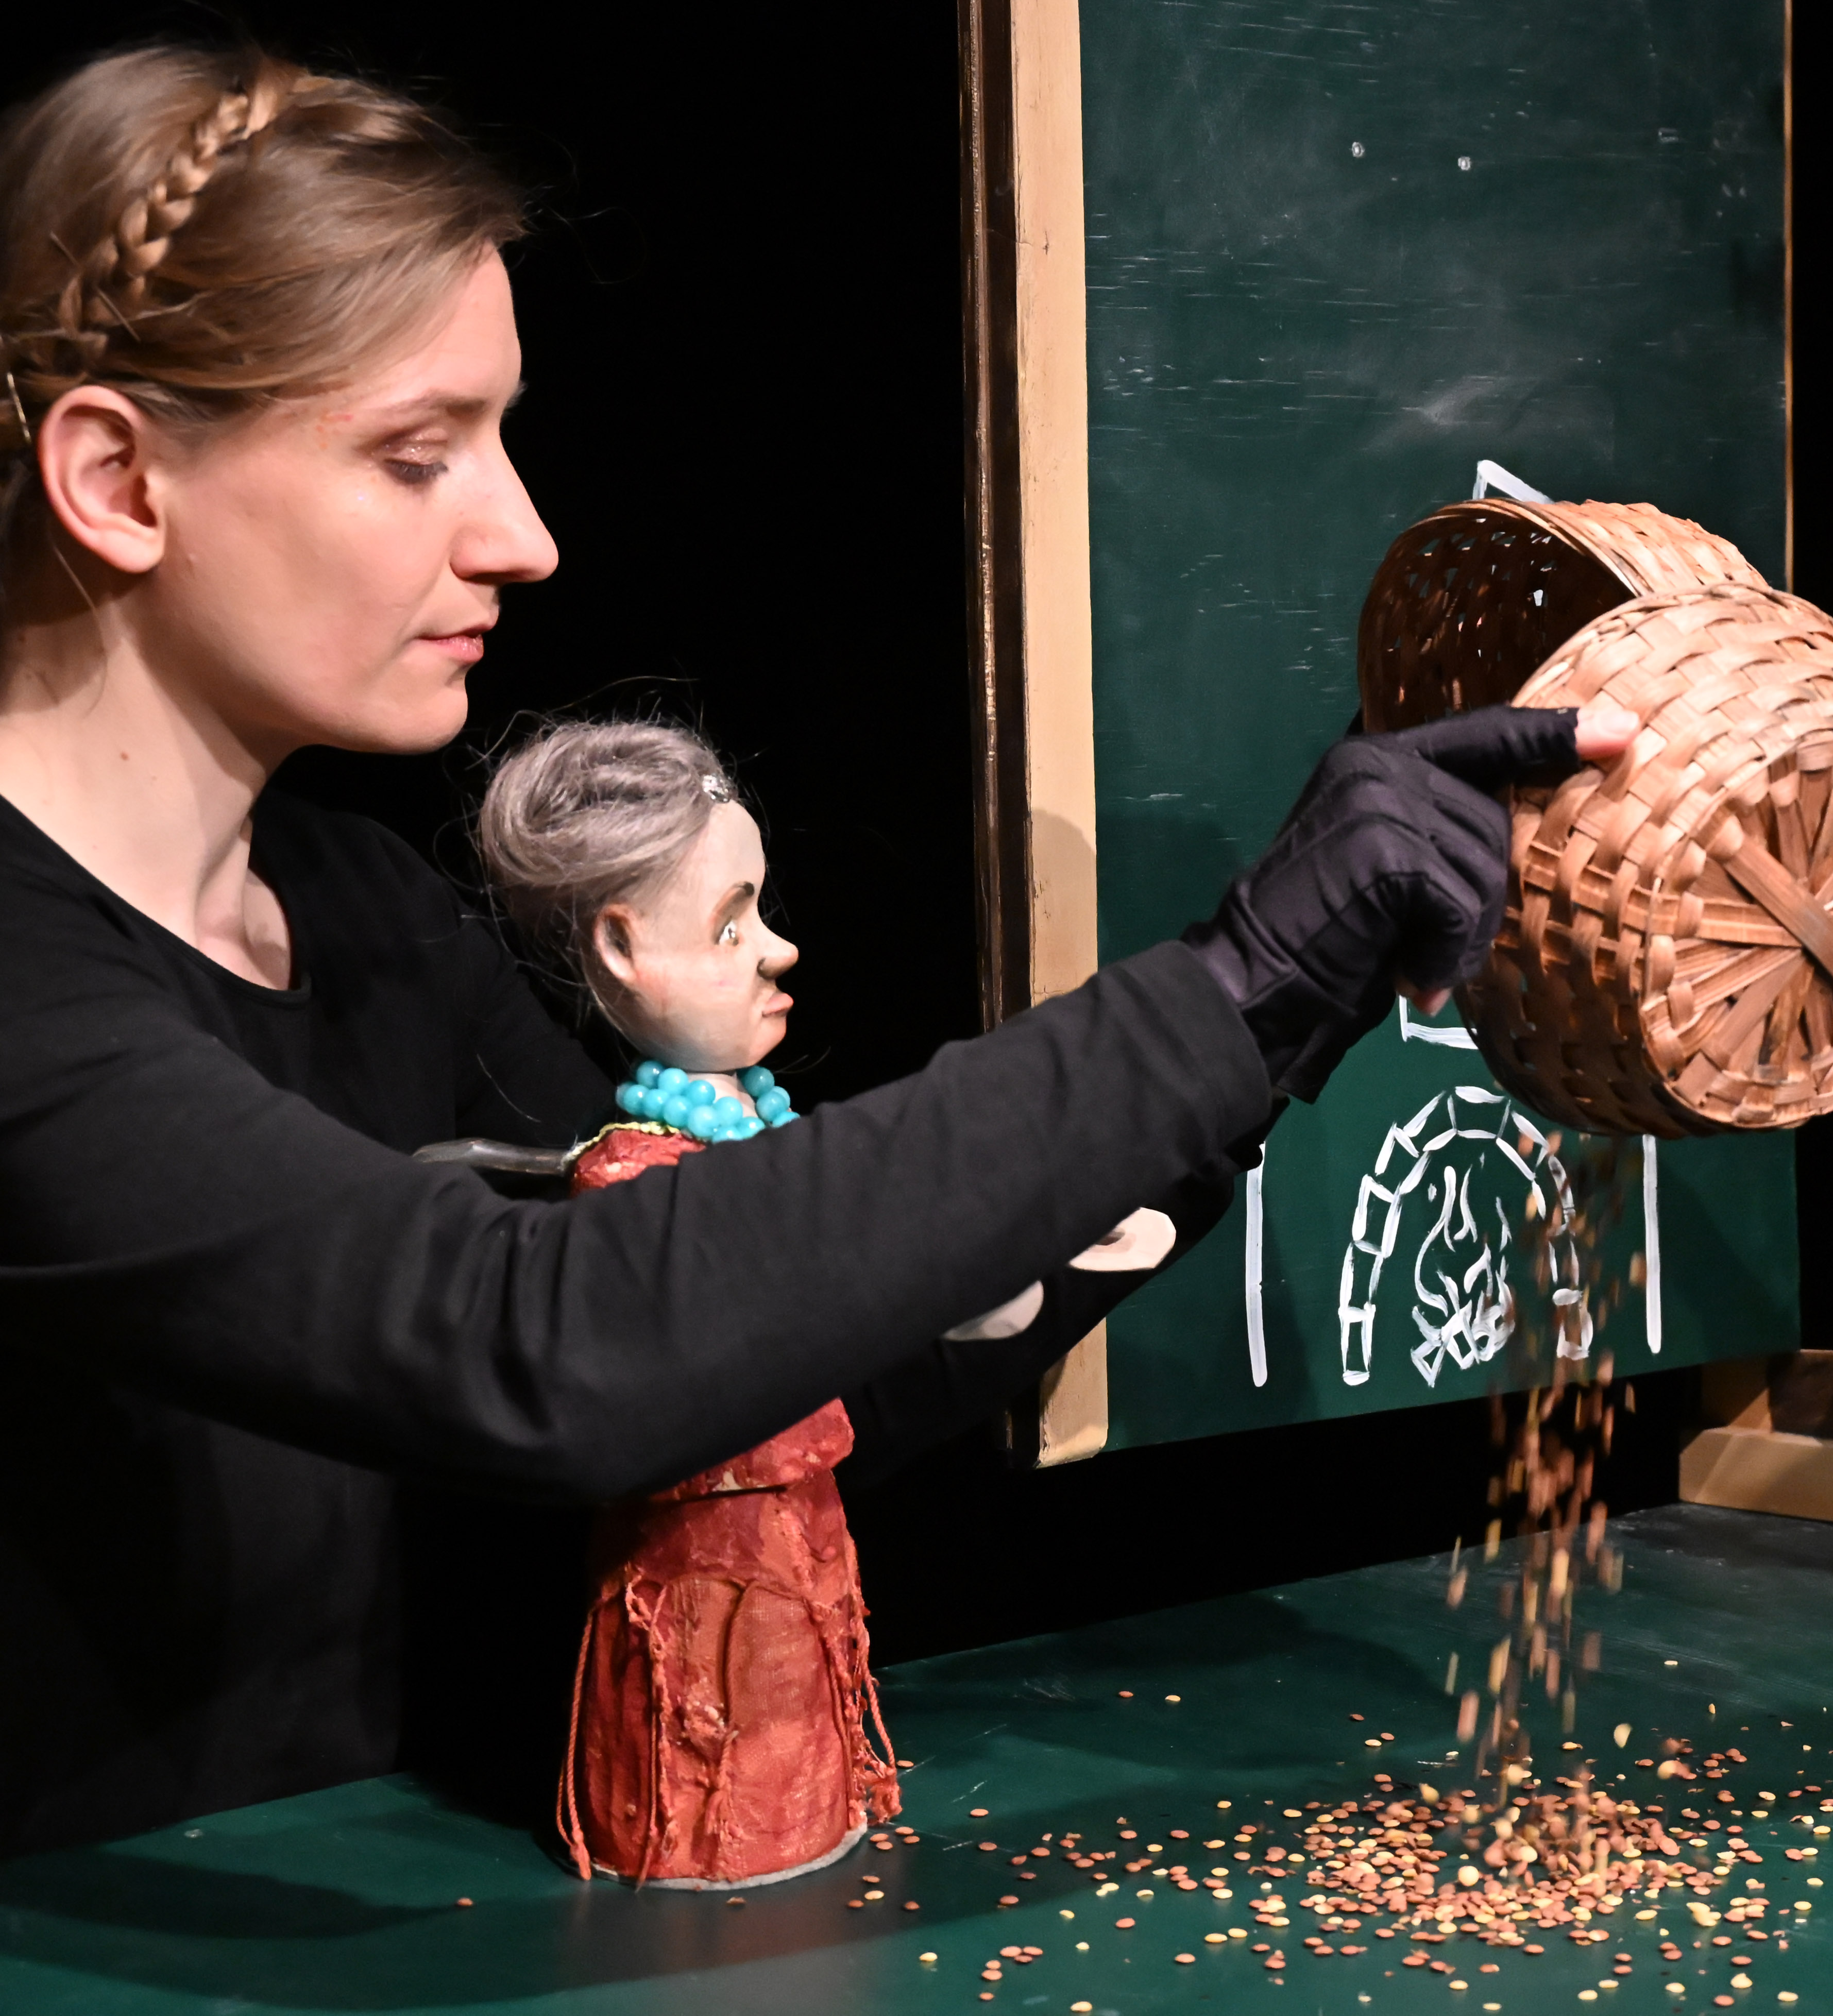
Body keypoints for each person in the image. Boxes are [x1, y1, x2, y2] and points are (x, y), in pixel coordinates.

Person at [0, 45, 1632, 1857]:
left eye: (501, 438)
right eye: (415, 455)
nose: (524, 536)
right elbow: (545, 1343)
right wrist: (1229, 984)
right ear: (118, 479)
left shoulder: (364, 911)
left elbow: (751, 1356)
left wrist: (1283, 1019)